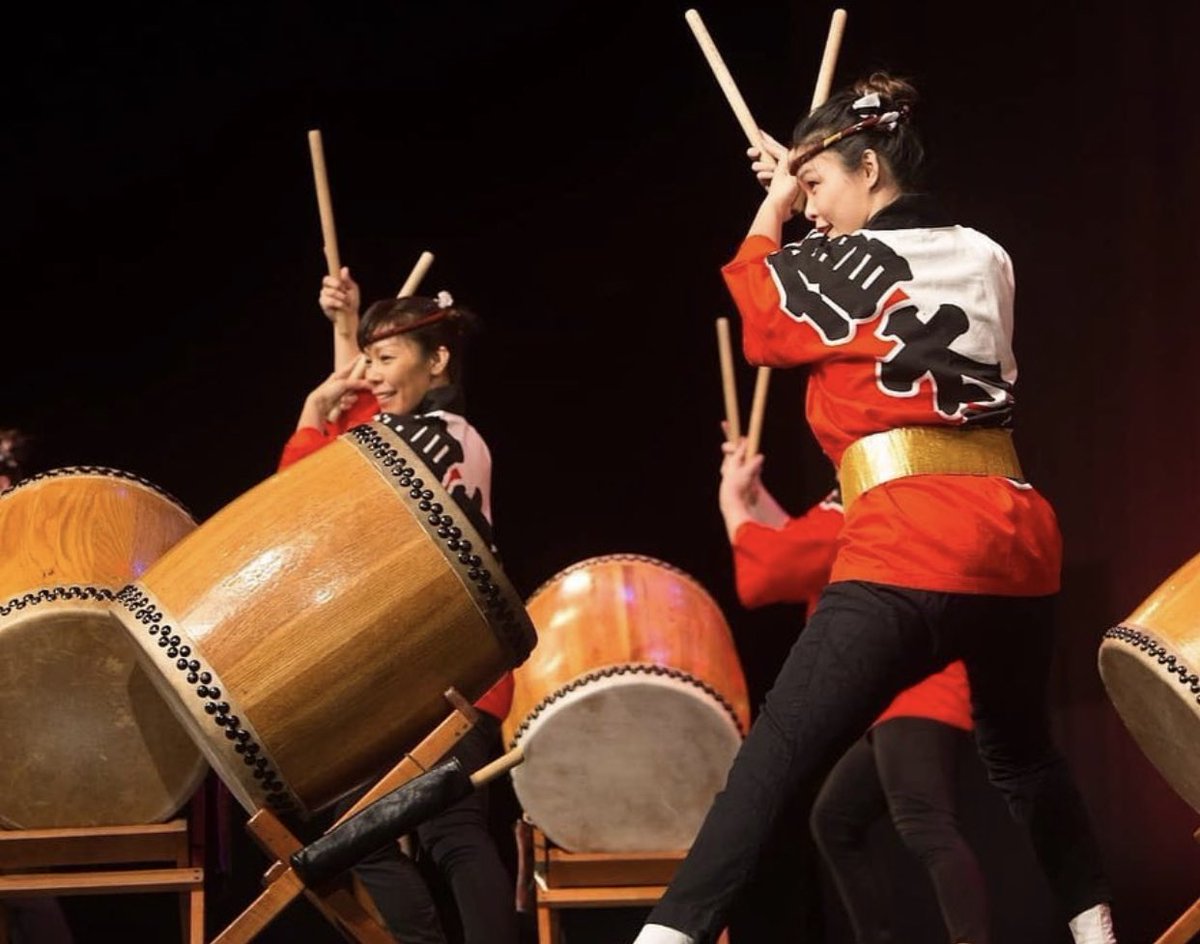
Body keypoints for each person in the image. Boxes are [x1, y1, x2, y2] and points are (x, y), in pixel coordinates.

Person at [633, 72, 1116, 944]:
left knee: (776, 756)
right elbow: (892, 291)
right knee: (1021, 753)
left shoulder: (826, 262)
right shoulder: (986, 253)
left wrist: (771, 208)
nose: (812, 207)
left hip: (911, 537)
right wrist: (802, 186)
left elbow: (761, 324)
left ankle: (666, 937)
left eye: (820, 185)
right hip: (1013, 540)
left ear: (868, 166)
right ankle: (1096, 931)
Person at [278, 274, 518, 944]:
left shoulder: (428, 439)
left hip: (442, 670)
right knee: (428, 832)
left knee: (402, 834)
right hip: (456, 666)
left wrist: (310, 409)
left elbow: (304, 503)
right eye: (371, 362)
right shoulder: (452, 434)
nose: (372, 376)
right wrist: (346, 330)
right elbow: (363, 428)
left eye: (386, 360)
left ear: (437, 359)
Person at [719, 438, 987, 943]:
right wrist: (754, 498)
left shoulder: (867, 492)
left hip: (916, 689)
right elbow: (805, 544)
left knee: (925, 824)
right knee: (836, 820)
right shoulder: (870, 490)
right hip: (895, 691)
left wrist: (733, 503)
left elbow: (771, 571)